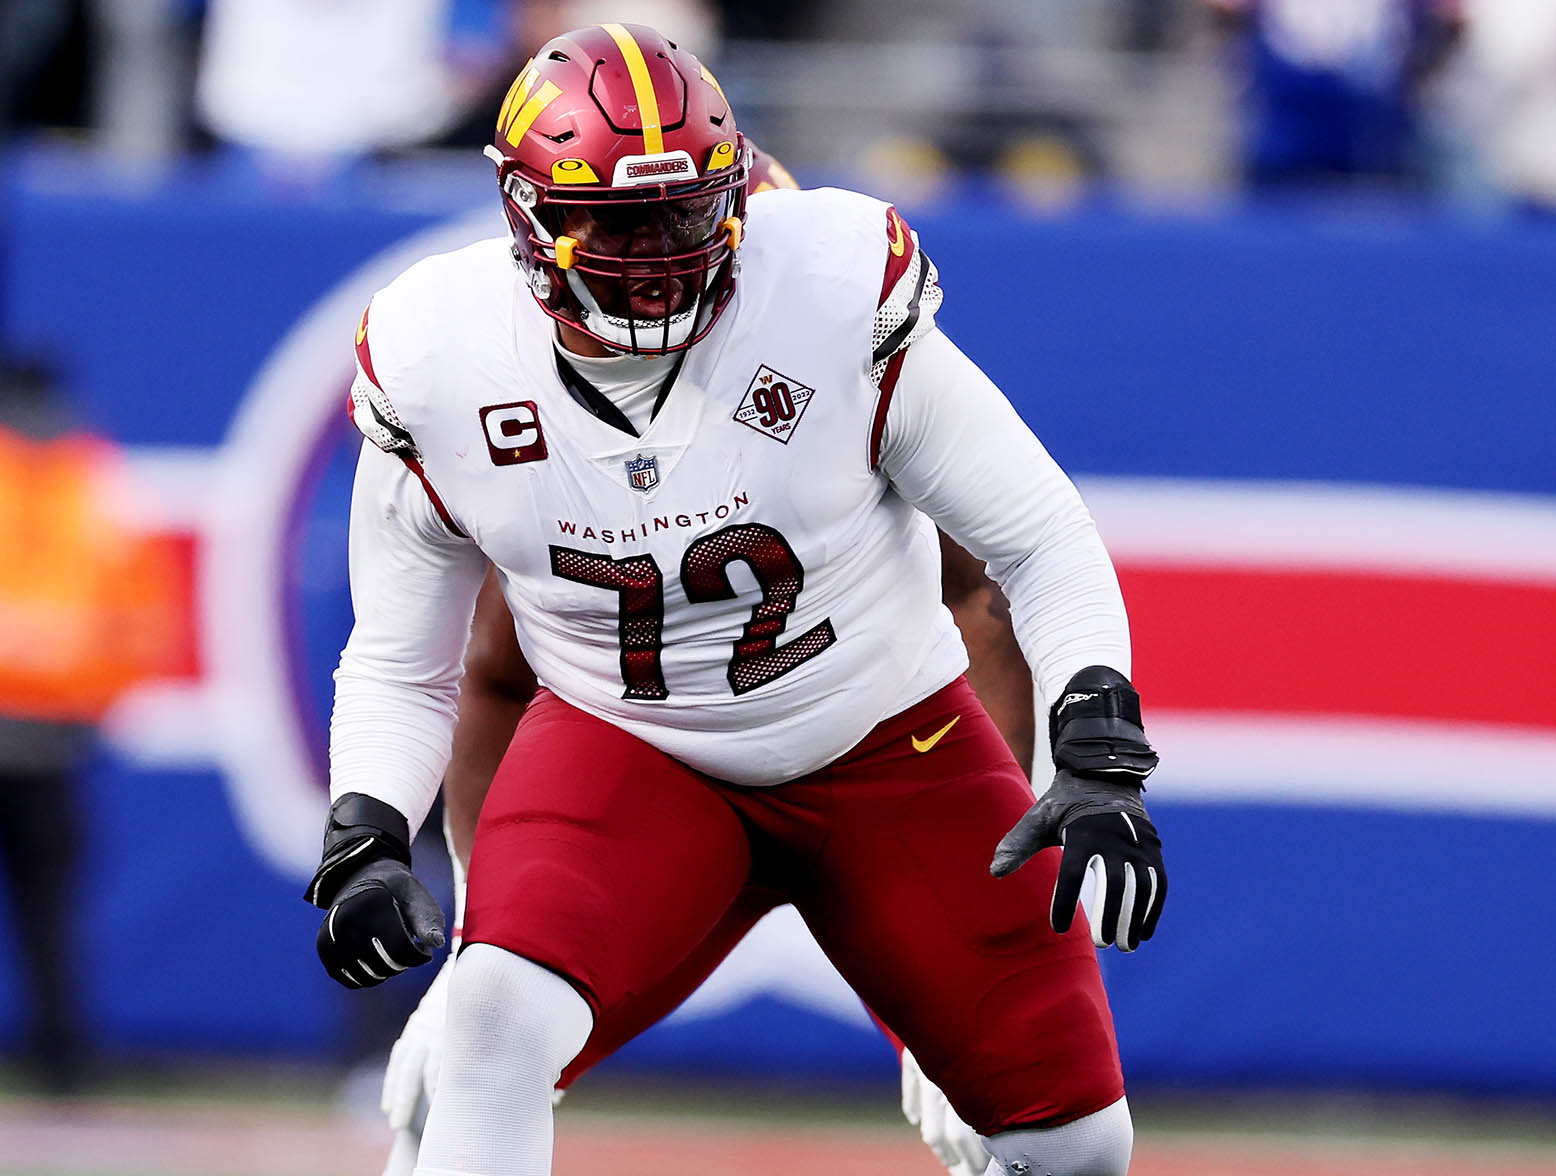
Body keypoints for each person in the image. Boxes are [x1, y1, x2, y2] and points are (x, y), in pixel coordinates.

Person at [306, 24, 1167, 1176]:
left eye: (679, 217)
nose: (652, 255)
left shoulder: (826, 295)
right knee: (494, 1026)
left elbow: (1035, 537)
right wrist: (366, 836)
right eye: (611, 221)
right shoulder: (442, 356)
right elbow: (406, 662)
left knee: (1079, 1148)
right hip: (633, 749)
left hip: (890, 747)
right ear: (527, 214)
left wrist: (1093, 748)